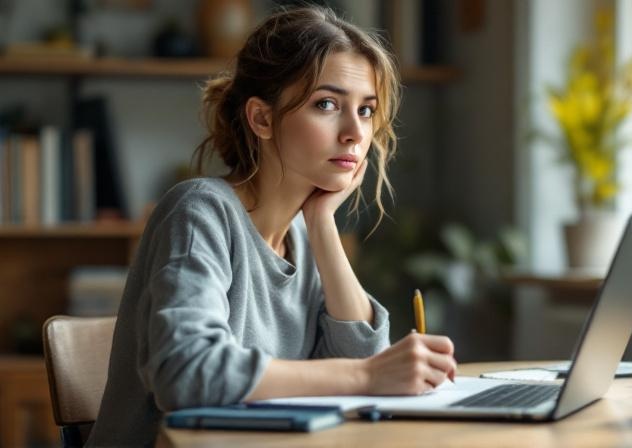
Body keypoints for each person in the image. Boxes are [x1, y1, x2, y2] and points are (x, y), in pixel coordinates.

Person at [87, 6, 457, 446]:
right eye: (327, 104)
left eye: (365, 110)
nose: (355, 133)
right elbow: (185, 373)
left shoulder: (301, 233)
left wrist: (321, 224)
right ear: (262, 118)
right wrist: (367, 374)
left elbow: (364, 373)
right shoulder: (199, 212)